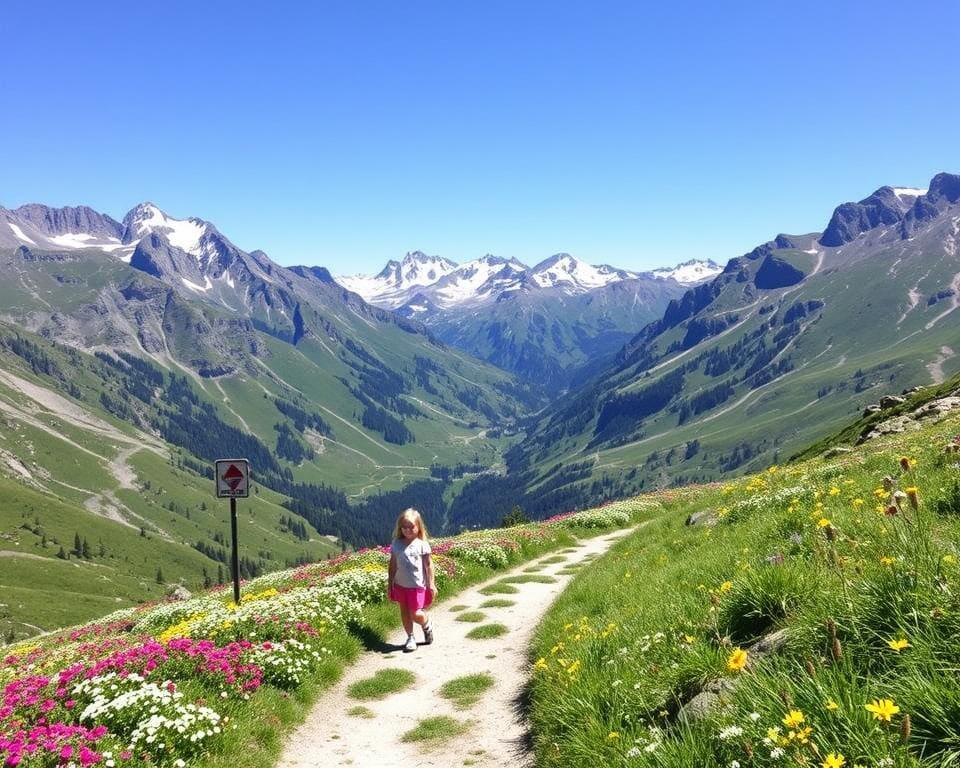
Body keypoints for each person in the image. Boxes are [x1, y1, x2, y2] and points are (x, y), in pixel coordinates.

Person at [387, 508, 436, 652]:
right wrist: (390, 582)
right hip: (400, 584)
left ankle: (426, 623)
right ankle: (410, 637)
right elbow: (393, 564)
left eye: (411, 527)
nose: (407, 530)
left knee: (415, 613)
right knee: (404, 611)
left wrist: (431, 583)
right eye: (404, 527)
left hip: (417, 586)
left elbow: (428, 565)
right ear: (400, 527)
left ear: (418, 527)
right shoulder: (396, 544)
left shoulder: (422, 544)